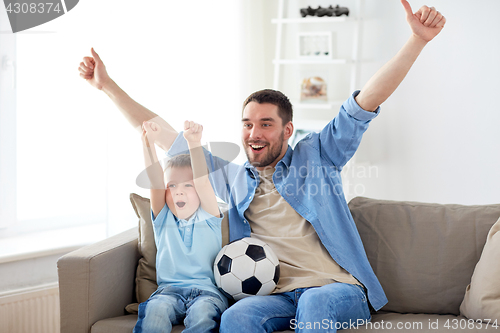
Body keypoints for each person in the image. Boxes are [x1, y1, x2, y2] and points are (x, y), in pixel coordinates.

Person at [79, 1, 445, 331]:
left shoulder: (317, 155)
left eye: (266, 124)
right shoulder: (232, 179)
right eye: (247, 124)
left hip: (335, 289)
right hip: (274, 294)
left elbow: (363, 104)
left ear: (287, 130)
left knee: (316, 303)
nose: (254, 132)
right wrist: (107, 85)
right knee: (237, 317)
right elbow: (161, 134)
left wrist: (417, 41)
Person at [135, 120, 227, 333]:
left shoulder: (209, 216)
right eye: (172, 186)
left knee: (203, 315)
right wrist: (148, 143)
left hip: (206, 293)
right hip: (168, 292)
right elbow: (155, 181)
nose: (178, 191)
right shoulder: (162, 218)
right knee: (155, 311)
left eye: (188, 185)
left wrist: (194, 143)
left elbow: (203, 182)